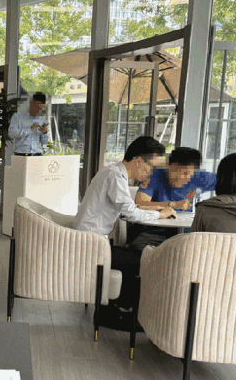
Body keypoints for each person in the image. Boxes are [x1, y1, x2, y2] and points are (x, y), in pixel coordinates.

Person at [73, 136, 176, 323]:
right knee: (145, 259)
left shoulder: (113, 173)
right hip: (91, 246)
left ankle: (114, 308)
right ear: (139, 161)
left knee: (136, 255)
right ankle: (118, 312)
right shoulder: (114, 176)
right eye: (152, 167)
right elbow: (130, 214)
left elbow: (126, 209)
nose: (151, 173)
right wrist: (159, 215)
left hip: (92, 242)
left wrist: (153, 210)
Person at [129, 147, 216, 250]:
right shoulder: (154, 176)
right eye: (184, 173)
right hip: (156, 230)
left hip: (188, 234)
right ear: (171, 167)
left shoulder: (201, 177)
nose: (188, 178)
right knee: (138, 248)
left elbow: (228, 183)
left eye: (191, 174)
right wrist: (173, 204)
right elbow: (139, 203)